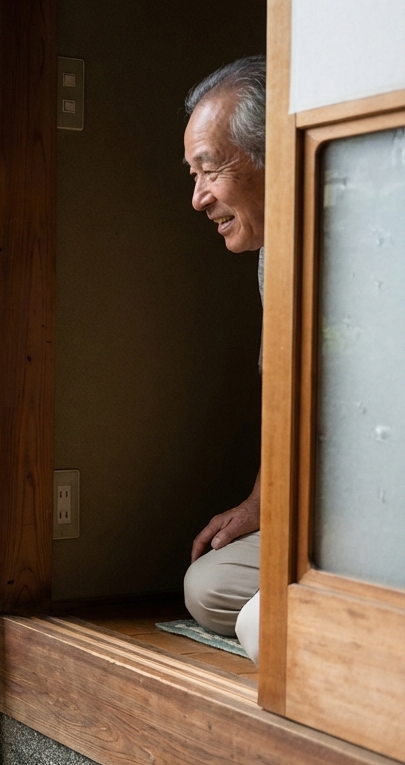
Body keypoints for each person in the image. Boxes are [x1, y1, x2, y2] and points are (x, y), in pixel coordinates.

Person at [180, 55, 266, 662]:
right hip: (328, 523)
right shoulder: (271, 255)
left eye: (209, 170)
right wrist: (264, 503)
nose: (197, 198)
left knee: (265, 625)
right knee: (209, 589)